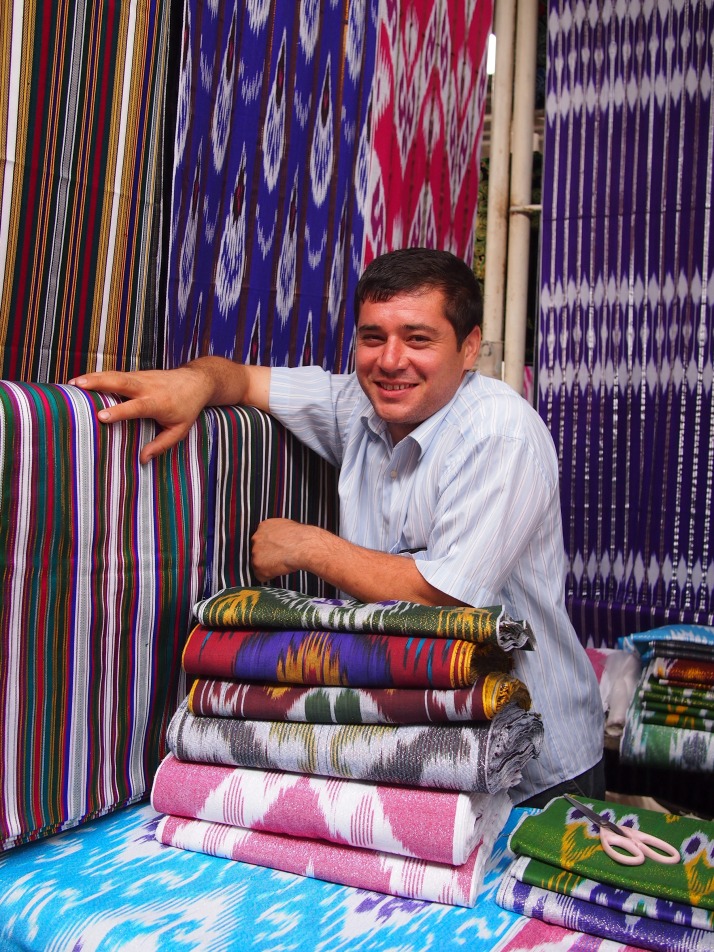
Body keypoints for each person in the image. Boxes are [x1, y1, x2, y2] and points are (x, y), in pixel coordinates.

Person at [69, 247, 604, 806]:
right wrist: (193, 384)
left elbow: (448, 599)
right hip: (427, 748)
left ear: (469, 348)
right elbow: (242, 380)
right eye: (373, 338)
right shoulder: (359, 404)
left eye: (418, 339)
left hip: (535, 762)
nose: (391, 360)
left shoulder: (499, 433)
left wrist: (310, 547)